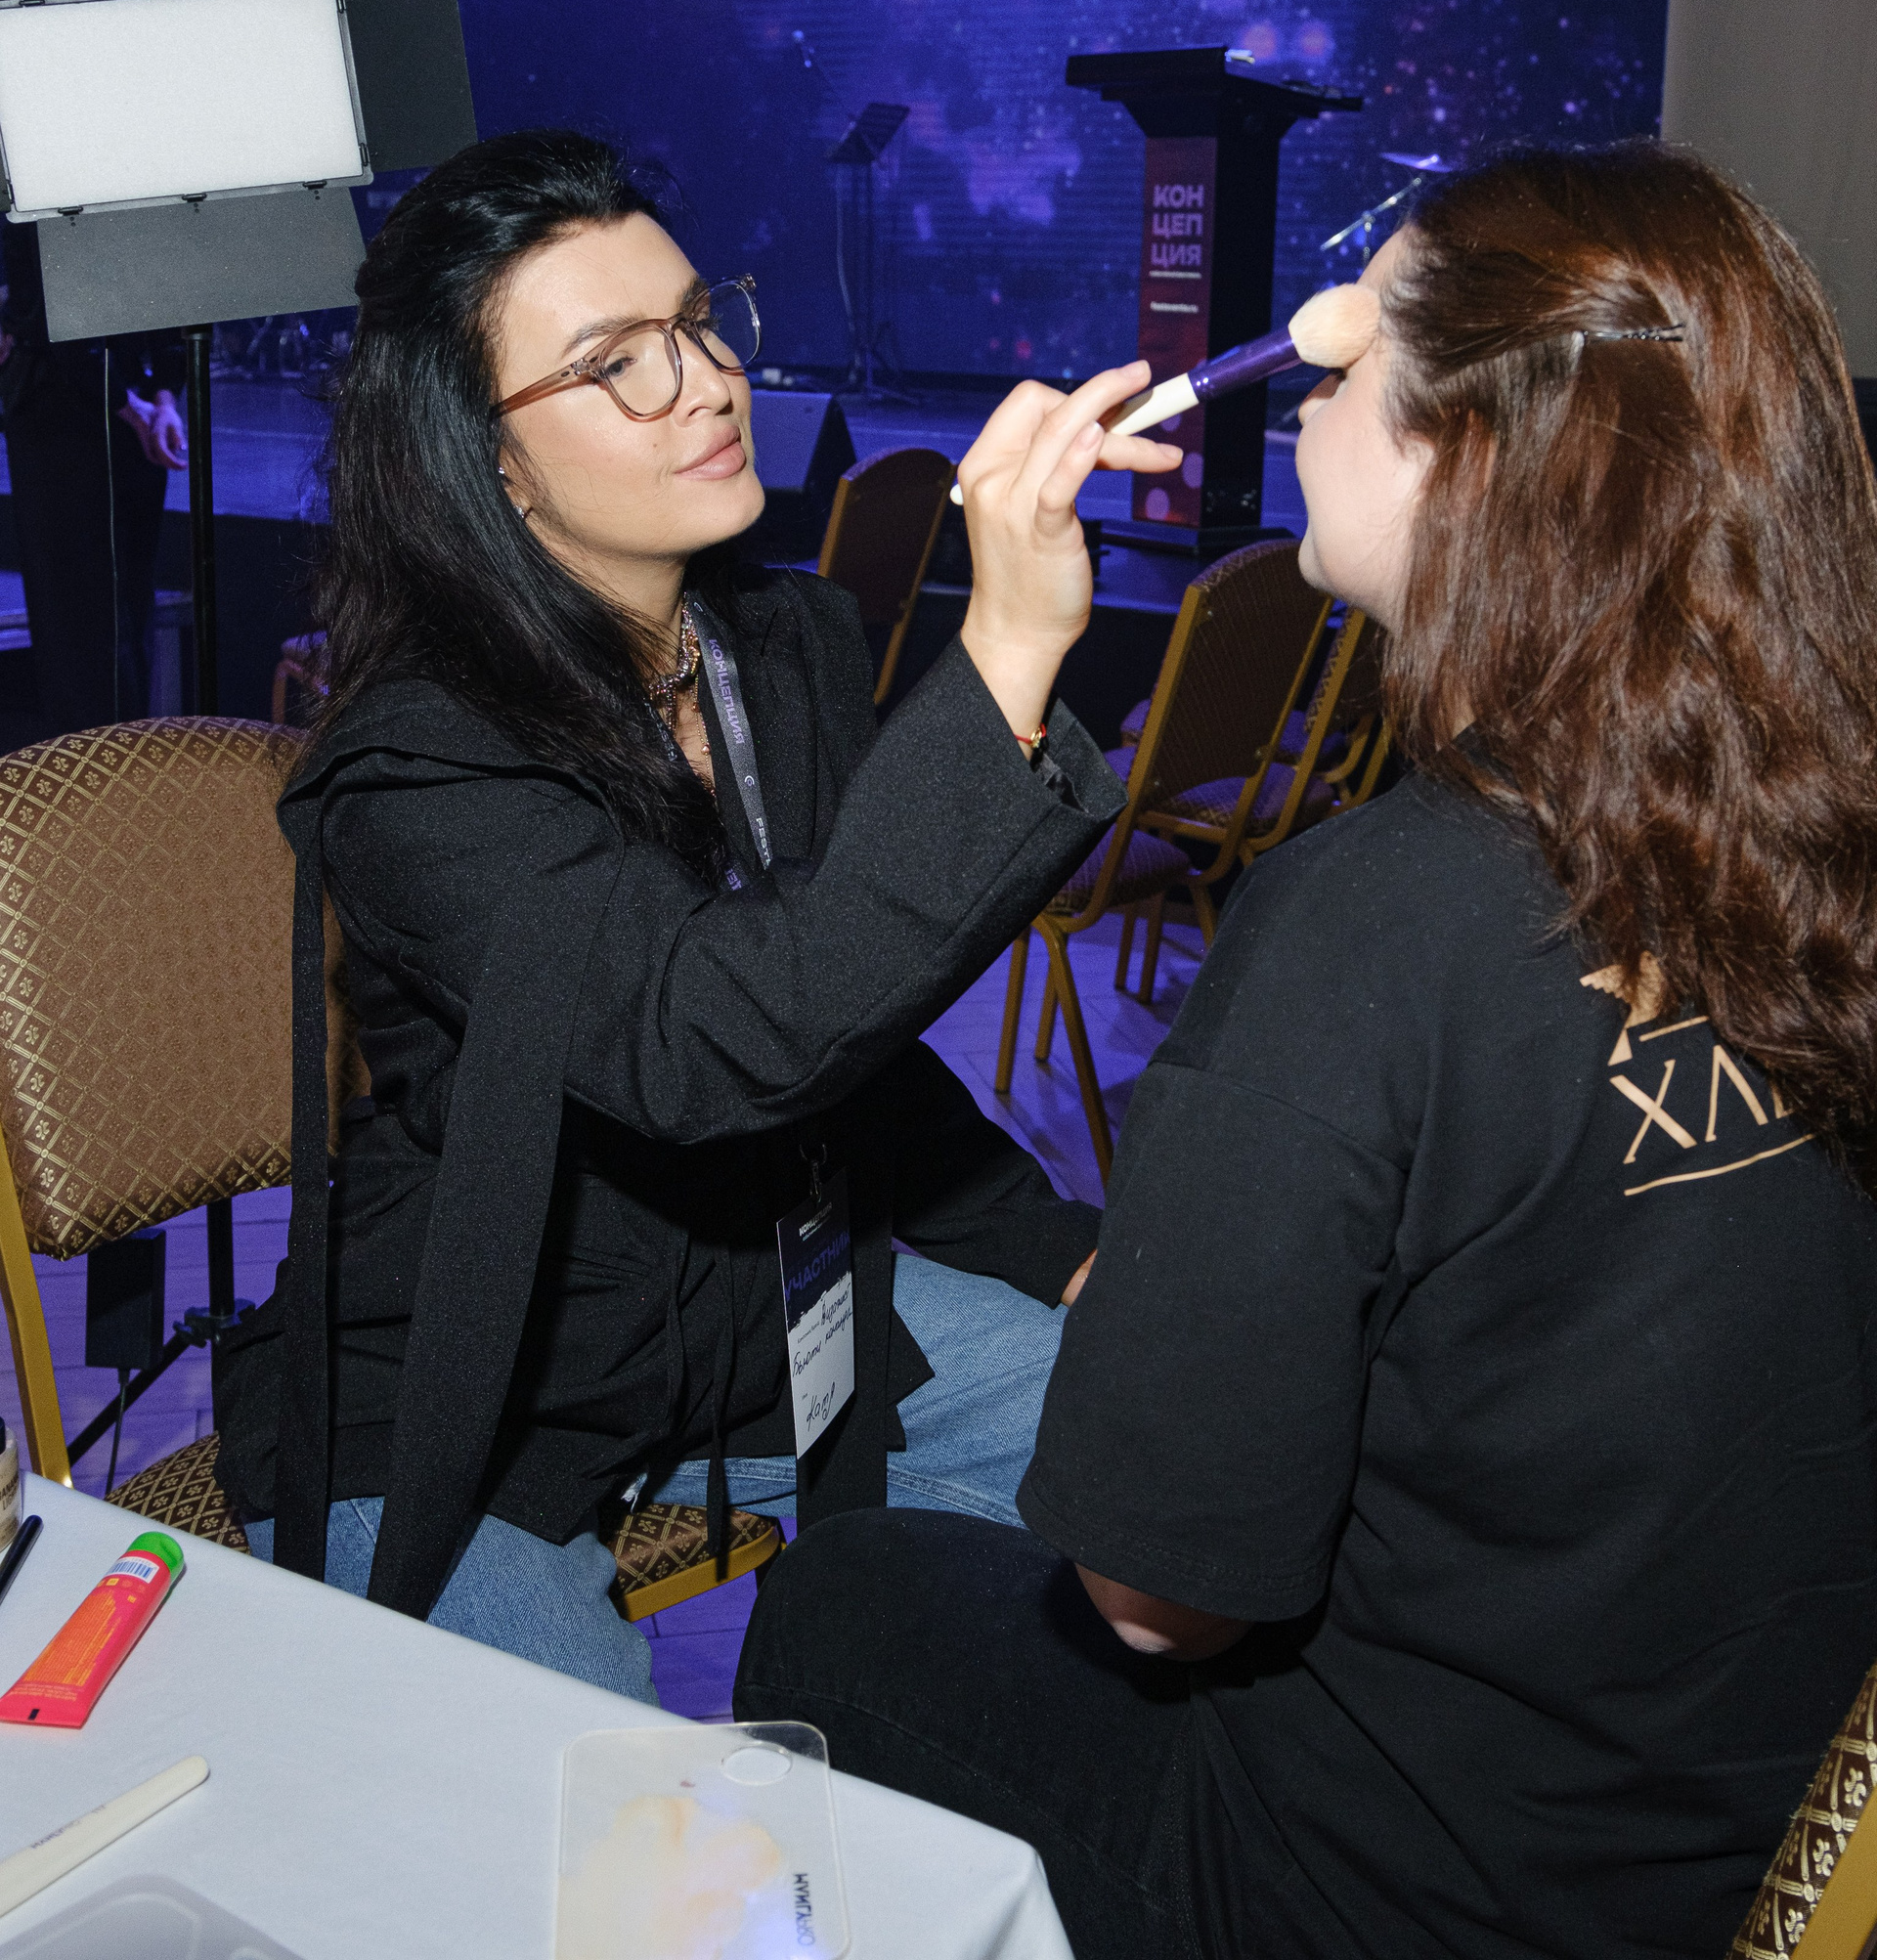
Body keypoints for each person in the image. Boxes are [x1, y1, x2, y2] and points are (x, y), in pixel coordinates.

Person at [736, 141, 1877, 1960]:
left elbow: (1157, 1601)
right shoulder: (1822, 845)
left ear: (1477, 455)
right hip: (1737, 1820)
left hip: (1401, 1897)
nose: (1306, 392)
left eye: (1353, 362)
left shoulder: (1379, 921)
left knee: (843, 1603)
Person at [211, 128, 1180, 1703]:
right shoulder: (415, 765)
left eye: (699, 325)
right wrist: (1004, 649)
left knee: (1159, 1437)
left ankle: (888, 1736)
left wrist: (1055, 1249)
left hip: (746, 1314)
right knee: (588, 1821)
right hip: (468, 1376)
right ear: (489, 463)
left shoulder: (780, 649)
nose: (712, 384)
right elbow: (709, 1040)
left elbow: (849, 1032)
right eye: (621, 364)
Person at [0, 219, 188, 733]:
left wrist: (163, 399)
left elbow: (167, 295)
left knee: (128, 604)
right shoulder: (39, 198)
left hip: (126, 412)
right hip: (59, 415)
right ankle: (90, 760)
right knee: (78, 618)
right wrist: (137, 406)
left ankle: (127, 751)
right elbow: (47, 312)